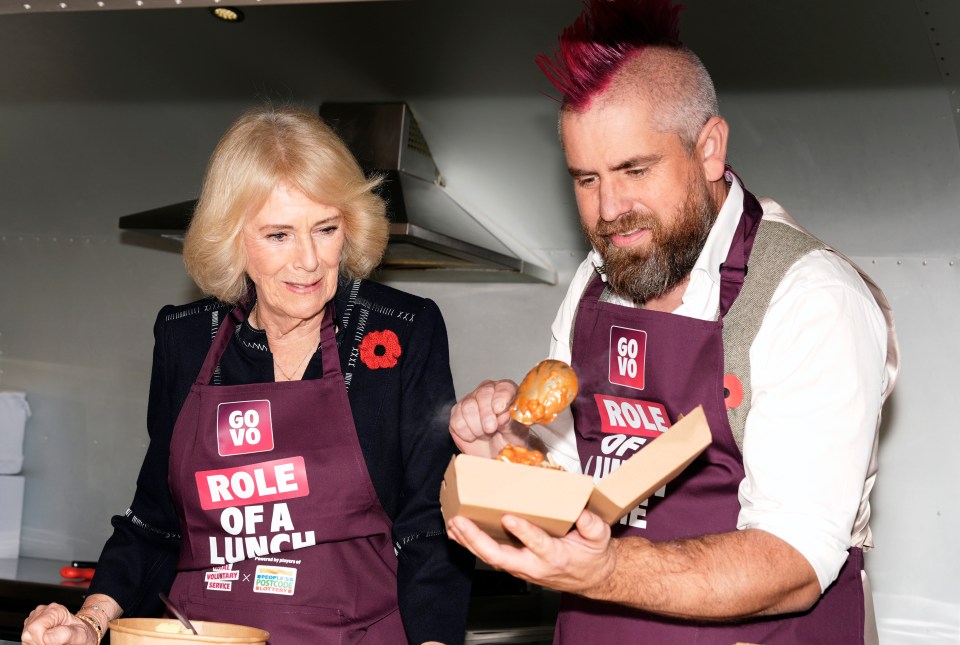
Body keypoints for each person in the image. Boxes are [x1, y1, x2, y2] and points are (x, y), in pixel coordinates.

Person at [446, 1, 899, 643]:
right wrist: (509, 462)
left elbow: (796, 559)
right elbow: (575, 486)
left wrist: (604, 570)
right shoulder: (593, 286)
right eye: (586, 178)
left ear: (709, 148)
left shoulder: (808, 296)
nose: (610, 210)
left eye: (635, 170)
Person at [22, 105, 473, 645]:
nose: (308, 260)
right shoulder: (186, 339)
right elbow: (156, 523)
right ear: (234, 238)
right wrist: (90, 622)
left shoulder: (400, 332)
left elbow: (428, 525)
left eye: (326, 229)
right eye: (279, 235)